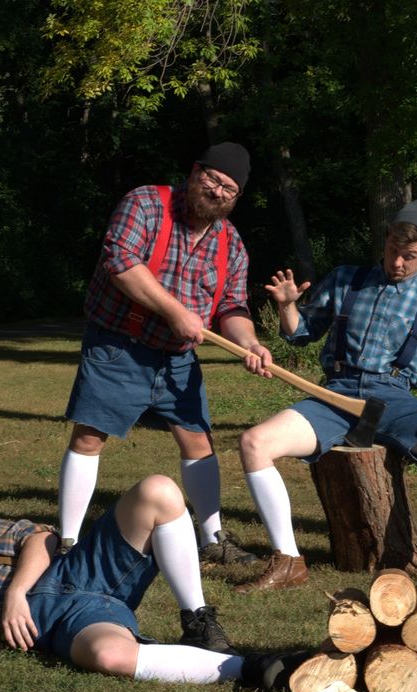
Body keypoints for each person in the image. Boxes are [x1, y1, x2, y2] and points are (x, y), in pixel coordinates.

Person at [234, 199, 417, 592]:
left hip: (396, 402)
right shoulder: (346, 279)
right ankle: (288, 561)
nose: (398, 263)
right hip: (334, 396)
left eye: (410, 256)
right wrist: (288, 306)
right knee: (253, 442)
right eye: (393, 251)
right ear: (384, 242)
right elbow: (301, 333)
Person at [0, 476, 306, 690]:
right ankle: (256, 669)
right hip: (58, 623)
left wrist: (17, 595)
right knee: (109, 657)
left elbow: (39, 538)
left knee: (157, 490)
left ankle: (197, 619)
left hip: (68, 573)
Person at [59, 142, 272, 567]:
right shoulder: (146, 203)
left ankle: (213, 539)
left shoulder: (231, 242)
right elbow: (119, 261)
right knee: (90, 435)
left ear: (236, 198)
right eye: (212, 179)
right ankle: (67, 542)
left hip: (176, 357)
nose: (216, 191)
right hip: (119, 344)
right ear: (195, 172)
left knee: (198, 440)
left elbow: (232, 306)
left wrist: (248, 342)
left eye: (228, 189)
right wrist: (176, 311)